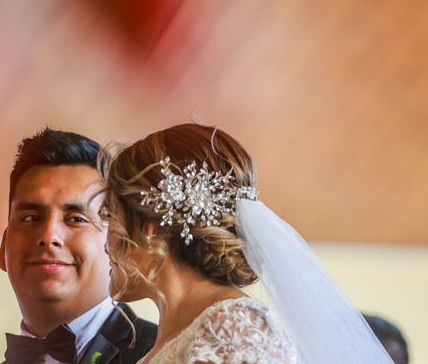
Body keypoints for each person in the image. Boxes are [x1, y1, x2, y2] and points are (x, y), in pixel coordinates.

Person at [101, 123, 395, 364]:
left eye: (111, 218)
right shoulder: (175, 338)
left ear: (149, 231)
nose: (105, 242)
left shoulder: (235, 329)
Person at [0, 128, 157, 364]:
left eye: (76, 219)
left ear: (117, 243)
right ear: (3, 249)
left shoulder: (167, 352)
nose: (49, 235)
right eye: (31, 217)